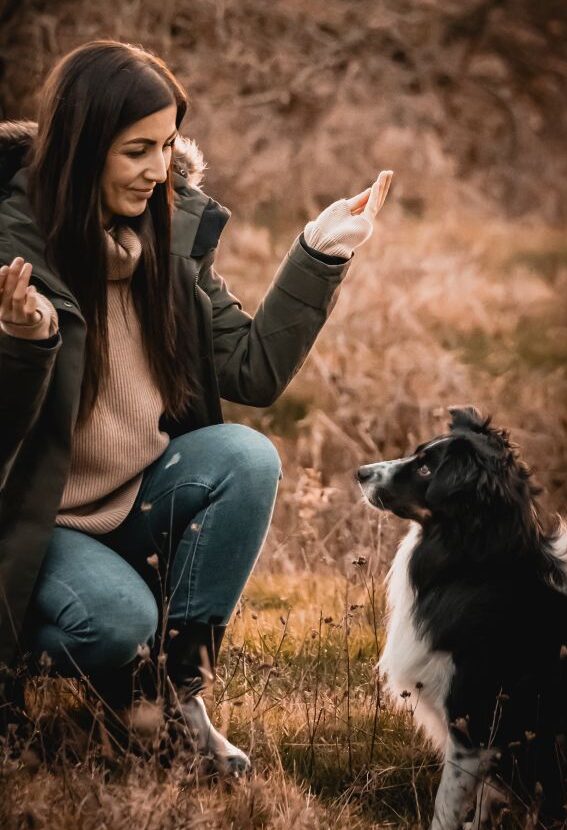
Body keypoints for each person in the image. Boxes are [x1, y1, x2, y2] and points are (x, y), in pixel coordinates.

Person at [0, 40, 392, 774]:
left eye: (167, 143)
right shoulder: (11, 250)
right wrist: (22, 344)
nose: (157, 168)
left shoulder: (167, 241)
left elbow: (252, 370)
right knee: (115, 623)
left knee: (244, 455)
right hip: (34, 523)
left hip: (135, 499)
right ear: (83, 152)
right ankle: (41, 672)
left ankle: (172, 699)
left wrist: (317, 254)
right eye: (135, 150)